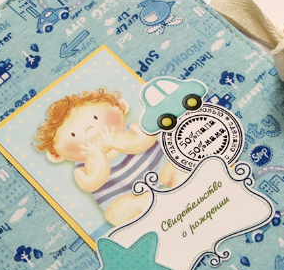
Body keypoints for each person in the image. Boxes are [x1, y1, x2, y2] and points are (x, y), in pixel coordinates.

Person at [34, 88, 185, 225]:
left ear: (121, 107)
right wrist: (97, 155)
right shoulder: (82, 168)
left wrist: (115, 140)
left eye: (95, 118)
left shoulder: (130, 129)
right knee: (115, 213)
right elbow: (91, 183)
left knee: (177, 168)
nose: (90, 130)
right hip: (125, 195)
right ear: (57, 155)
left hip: (159, 169)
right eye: (74, 134)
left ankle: (182, 188)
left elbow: (146, 140)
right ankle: (146, 206)